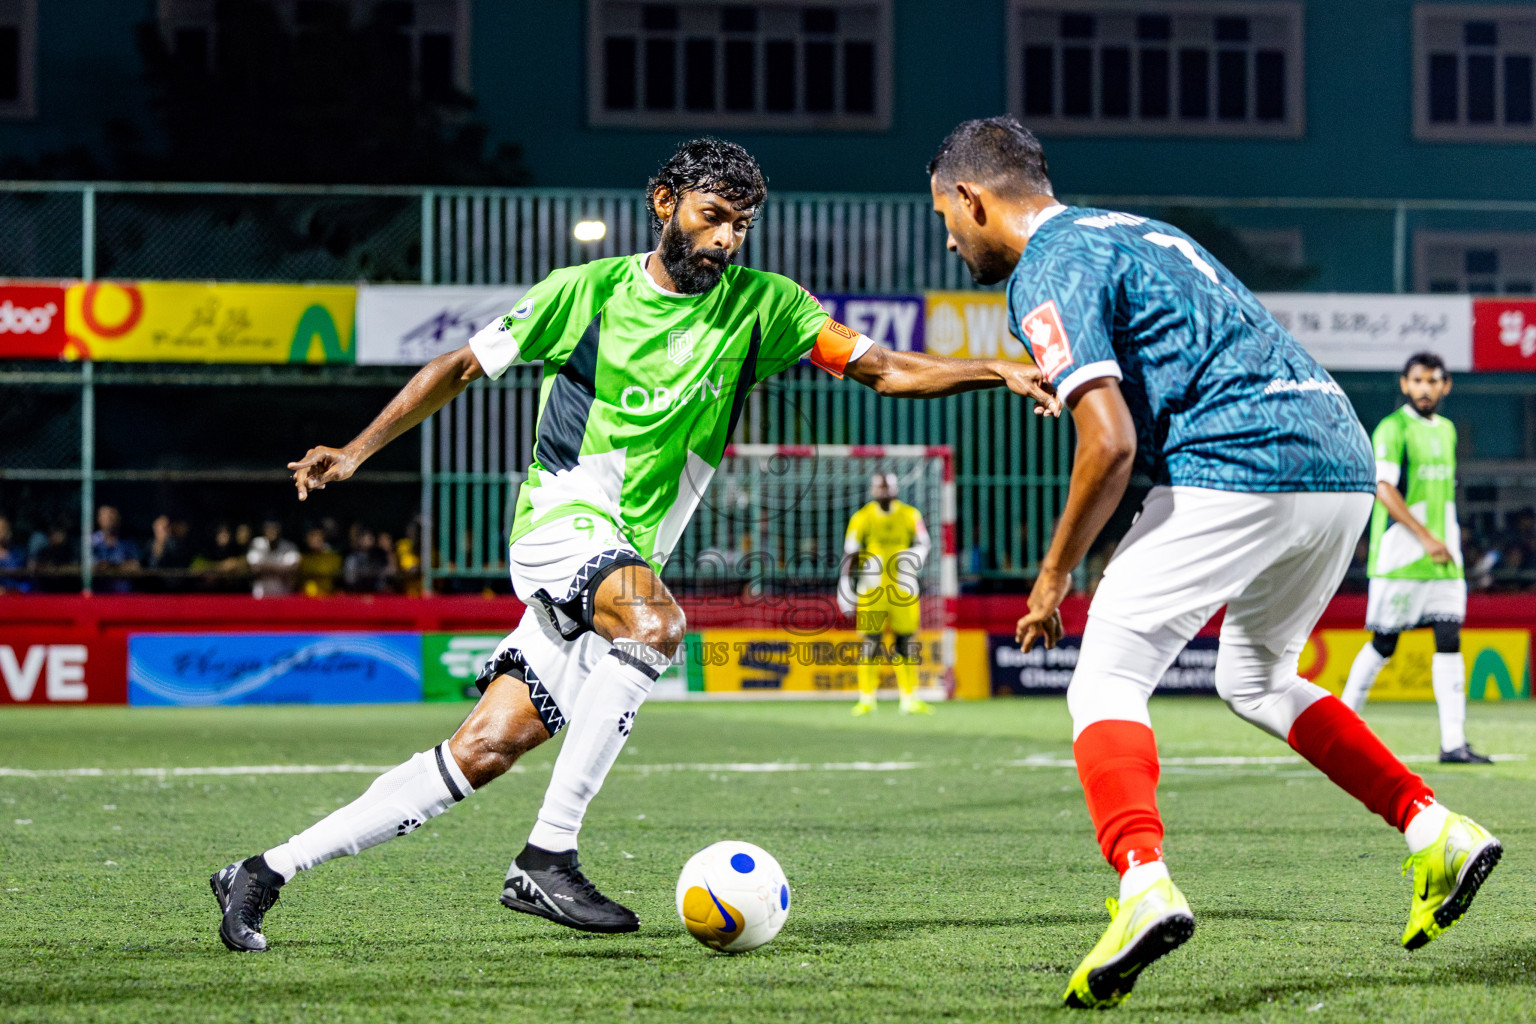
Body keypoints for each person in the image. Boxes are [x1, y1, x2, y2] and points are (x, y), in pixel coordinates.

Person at [208, 136, 1061, 953]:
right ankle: (548, 856)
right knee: (656, 625)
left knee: (483, 750)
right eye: (712, 215)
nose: (726, 239)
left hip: (616, 563)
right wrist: (357, 451)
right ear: (664, 203)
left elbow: (884, 367)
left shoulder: (765, 307)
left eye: (741, 224)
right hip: (560, 525)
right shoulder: (583, 292)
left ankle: (262, 870)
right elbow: (459, 366)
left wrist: (995, 368)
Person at [926, 116, 1502, 1009]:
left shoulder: (1047, 265)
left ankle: (1143, 882)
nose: (949, 241)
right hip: (1339, 462)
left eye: (944, 219)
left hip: (1236, 466)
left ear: (971, 198)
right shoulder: (1141, 232)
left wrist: (1053, 575)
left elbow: (1109, 444)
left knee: (1105, 681)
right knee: (1257, 677)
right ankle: (1436, 830)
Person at [1340, 354, 1488, 763]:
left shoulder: (1448, 430)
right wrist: (1425, 538)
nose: (1425, 388)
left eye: (1433, 380)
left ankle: (1453, 743)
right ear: (1405, 384)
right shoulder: (1393, 428)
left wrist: (1447, 541)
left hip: (1444, 559)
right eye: (1417, 380)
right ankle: (1340, 730)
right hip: (1401, 556)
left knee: (1449, 639)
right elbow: (1384, 488)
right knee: (1385, 643)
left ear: (1446, 385)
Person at [837, 472, 932, 715]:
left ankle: (908, 698)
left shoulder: (910, 515)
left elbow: (924, 543)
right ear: (872, 490)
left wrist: (915, 557)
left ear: (896, 488)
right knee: (871, 641)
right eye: (879, 486)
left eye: (887, 486)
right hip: (872, 589)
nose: (884, 491)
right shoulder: (862, 518)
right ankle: (867, 698)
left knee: (906, 640)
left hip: (903, 587)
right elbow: (850, 552)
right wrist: (845, 584)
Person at [90, 505, 140, 593]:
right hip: (97, 593)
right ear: (99, 519)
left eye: (112, 516)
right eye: (106, 517)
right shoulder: (91, 542)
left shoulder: (127, 542)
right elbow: (86, 566)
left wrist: (112, 566)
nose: (110, 520)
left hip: (123, 594)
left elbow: (135, 566)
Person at [246, 519, 299, 598]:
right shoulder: (257, 544)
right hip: (261, 595)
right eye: (269, 529)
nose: (271, 532)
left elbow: (292, 569)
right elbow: (254, 567)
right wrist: (281, 568)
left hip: (283, 594)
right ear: (264, 531)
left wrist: (265, 567)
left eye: (274, 529)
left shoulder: (289, 547)